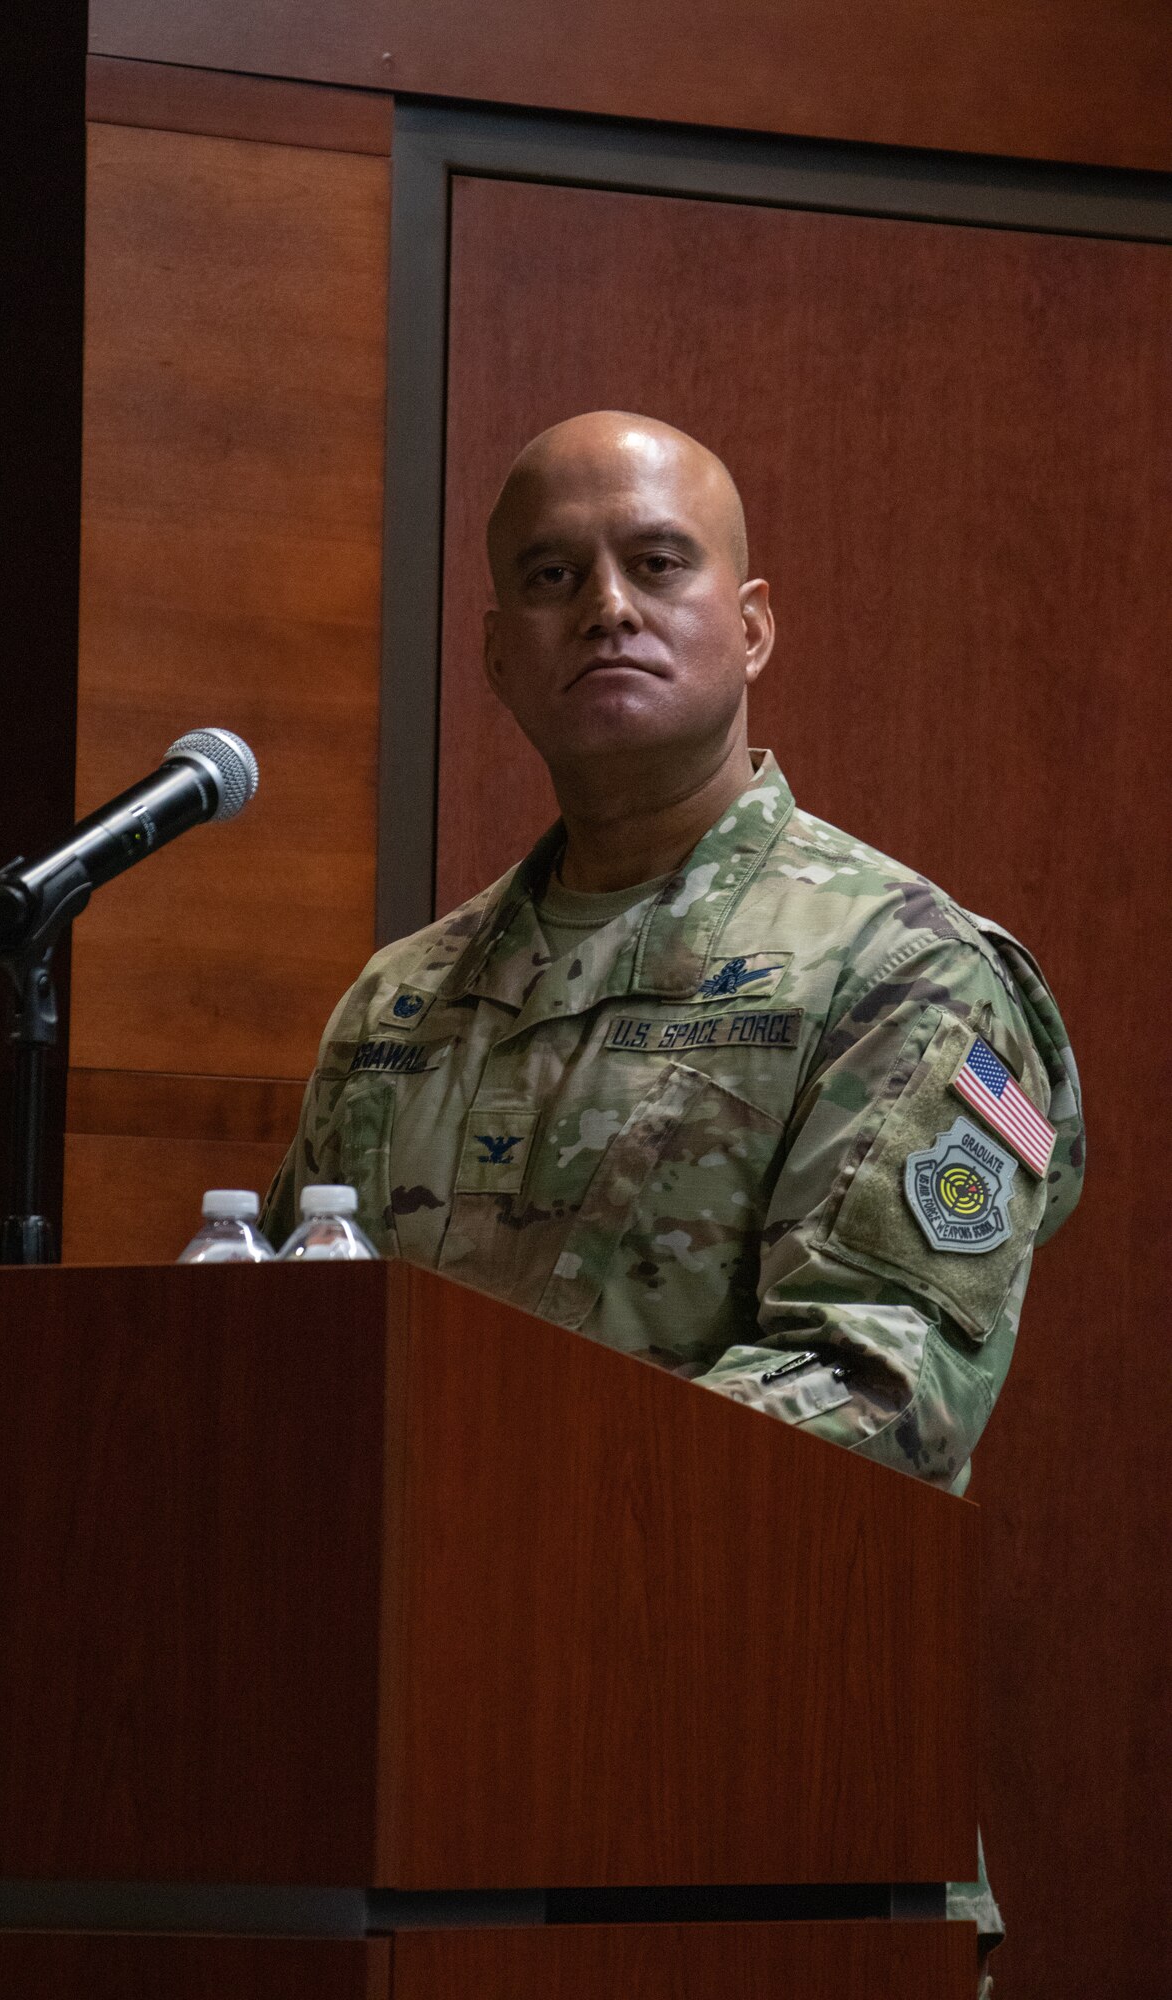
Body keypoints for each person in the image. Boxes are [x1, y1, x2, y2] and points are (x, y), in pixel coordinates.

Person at [262, 411, 1083, 1991]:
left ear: (751, 624)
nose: (607, 609)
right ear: (498, 654)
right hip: (414, 1817)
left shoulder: (898, 968)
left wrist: (494, 1553)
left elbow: (882, 1388)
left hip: (755, 1813)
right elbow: (306, 1376)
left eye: (656, 564)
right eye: (554, 577)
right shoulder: (399, 1001)